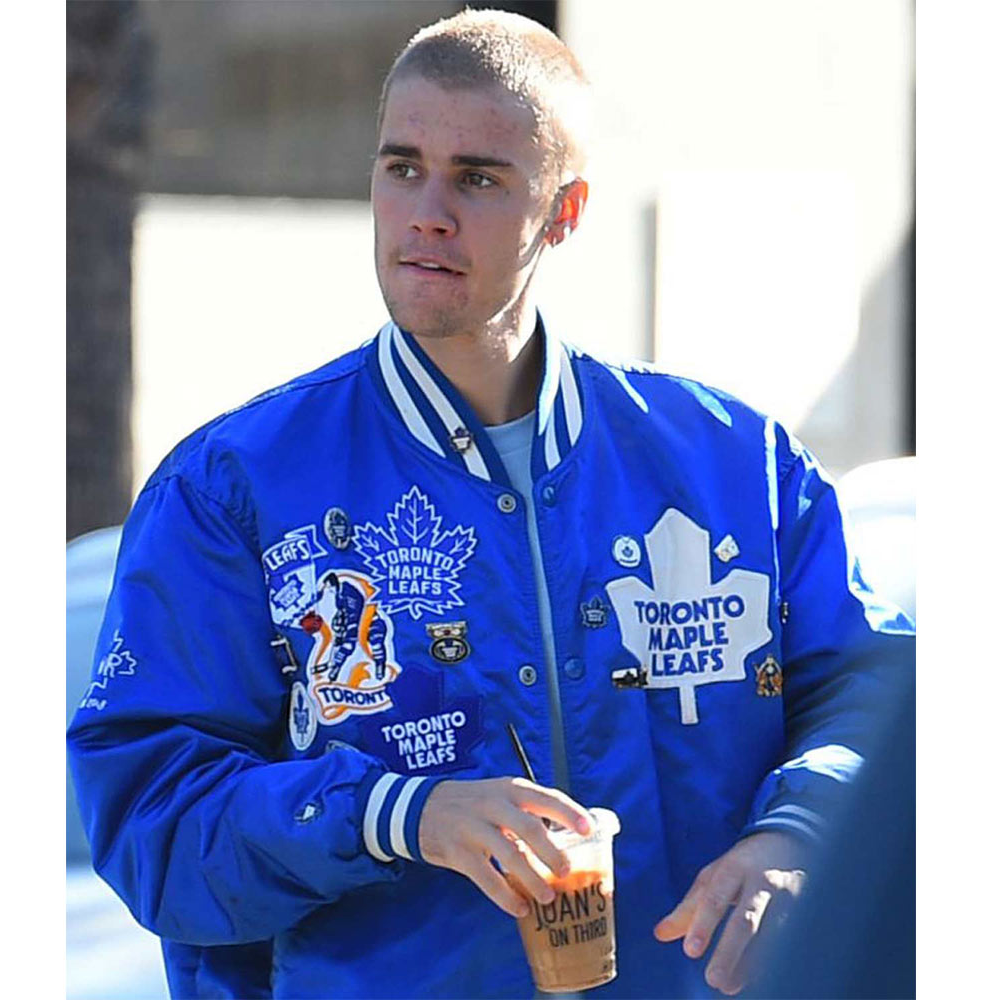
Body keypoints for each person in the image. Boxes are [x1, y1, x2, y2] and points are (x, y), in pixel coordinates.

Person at [67, 9, 915, 999]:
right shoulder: (233, 485)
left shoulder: (736, 464)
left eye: (477, 178)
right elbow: (152, 821)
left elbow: (876, 691)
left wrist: (800, 831)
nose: (427, 212)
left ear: (565, 209)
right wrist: (400, 815)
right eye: (402, 167)